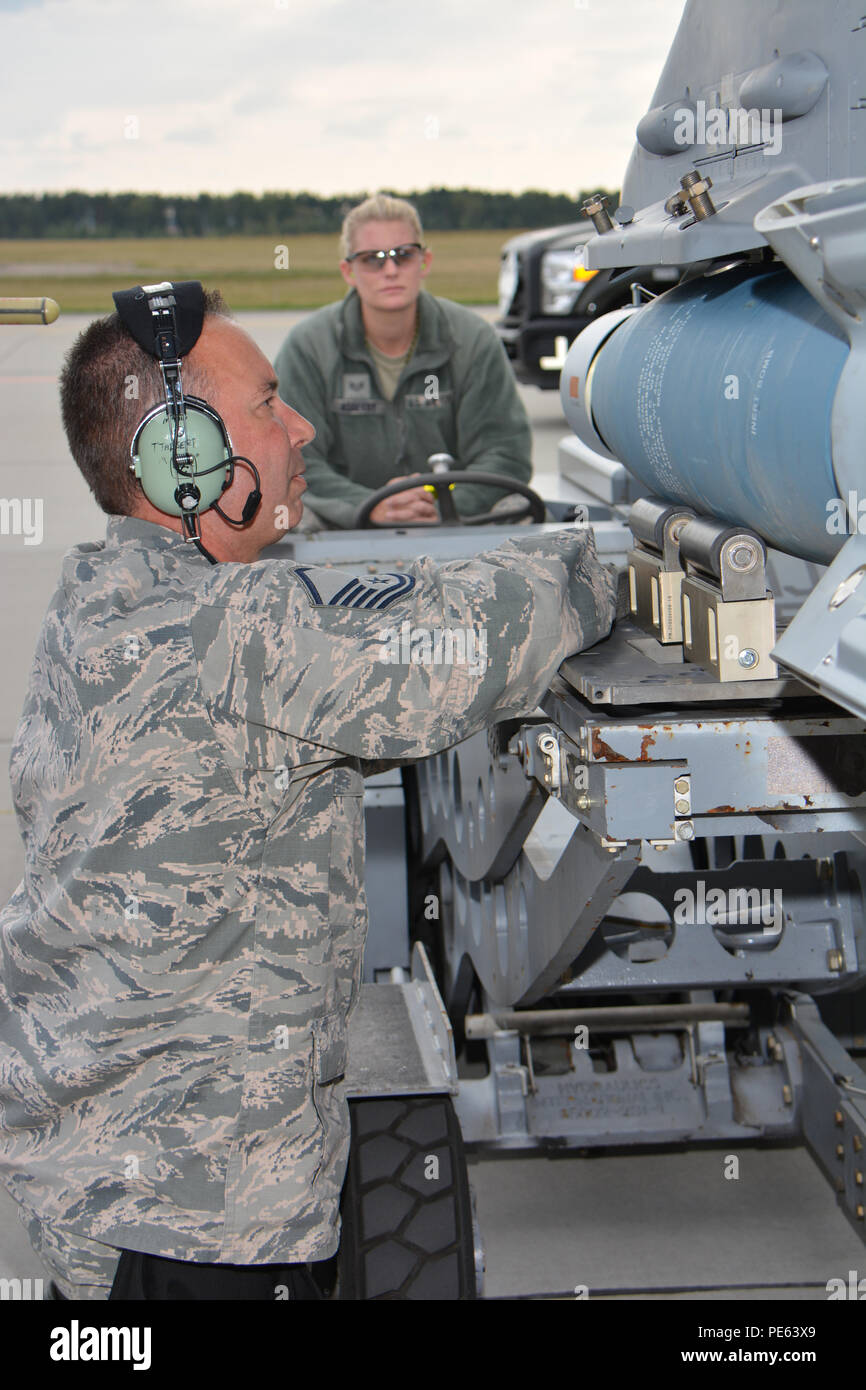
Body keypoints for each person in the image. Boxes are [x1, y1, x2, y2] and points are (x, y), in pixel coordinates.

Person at [0, 282, 615, 1301]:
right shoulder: (230, 631)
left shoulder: (102, 597)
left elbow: (328, 669)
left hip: (108, 1179)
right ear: (183, 458)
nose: (301, 429)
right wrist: (596, 574)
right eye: (269, 405)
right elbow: (449, 659)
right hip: (203, 1213)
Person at [273, 193, 533, 529]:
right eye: (373, 259)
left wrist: (440, 505)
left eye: (403, 255)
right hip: (346, 526)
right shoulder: (309, 347)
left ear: (424, 262)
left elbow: (505, 454)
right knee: (291, 520)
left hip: (456, 524)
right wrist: (370, 506)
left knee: (518, 509)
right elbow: (295, 459)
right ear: (348, 271)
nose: (391, 270)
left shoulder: (472, 341)